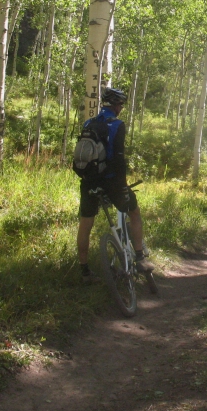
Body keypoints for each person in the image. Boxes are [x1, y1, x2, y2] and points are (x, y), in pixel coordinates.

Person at [77, 87, 154, 284]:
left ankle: (84, 271)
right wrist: (122, 186)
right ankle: (139, 257)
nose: (121, 107)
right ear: (117, 105)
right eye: (121, 104)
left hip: (88, 182)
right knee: (134, 213)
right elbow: (118, 159)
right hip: (111, 181)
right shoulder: (117, 125)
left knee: (85, 225)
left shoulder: (88, 122)